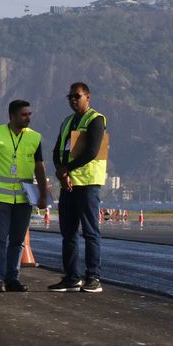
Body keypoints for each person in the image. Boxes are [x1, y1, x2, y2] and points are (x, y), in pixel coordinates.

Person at [0, 99, 49, 292]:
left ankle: (12, 278)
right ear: (12, 116)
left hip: (24, 199)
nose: (28, 118)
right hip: (0, 198)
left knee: (17, 241)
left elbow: (39, 166)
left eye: (29, 114)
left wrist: (42, 193)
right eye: (24, 114)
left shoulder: (35, 138)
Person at [49, 82, 108, 293]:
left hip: (88, 184)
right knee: (68, 233)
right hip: (68, 185)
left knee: (91, 232)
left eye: (77, 96)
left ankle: (93, 277)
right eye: (70, 97)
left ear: (88, 97)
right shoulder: (67, 122)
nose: (73, 100)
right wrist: (60, 171)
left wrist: (66, 169)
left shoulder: (96, 120)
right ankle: (72, 277)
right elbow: (57, 151)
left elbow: (92, 151)